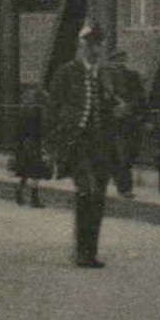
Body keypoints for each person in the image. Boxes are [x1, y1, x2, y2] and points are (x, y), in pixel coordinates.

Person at [47, 22, 119, 268]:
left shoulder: (106, 75)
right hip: (77, 143)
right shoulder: (67, 72)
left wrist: (117, 108)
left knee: (98, 196)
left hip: (100, 144)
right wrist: (55, 142)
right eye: (90, 45)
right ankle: (81, 250)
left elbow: (111, 107)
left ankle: (90, 251)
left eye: (97, 45)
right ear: (81, 46)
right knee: (86, 191)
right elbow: (53, 108)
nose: (94, 50)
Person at [105, 49, 146, 198]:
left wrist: (128, 106)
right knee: (118, 155)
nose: (119, 64)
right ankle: (124, 187)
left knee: (128, 154)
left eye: (122, 61)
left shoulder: (133, 76)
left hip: (129, 120)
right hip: (110, 122)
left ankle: (123, 185)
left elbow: (140, 96)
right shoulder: (103, 78)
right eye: (116, 61)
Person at [9, 88, 51, 207]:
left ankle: (19, 193)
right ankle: (34, 198)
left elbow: (17, 131)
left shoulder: (22, 111)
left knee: (24, 171)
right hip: (34, 144)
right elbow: (42, 130)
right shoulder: (39, 112)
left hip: (23, 145)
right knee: (35, 172)